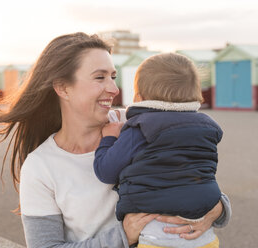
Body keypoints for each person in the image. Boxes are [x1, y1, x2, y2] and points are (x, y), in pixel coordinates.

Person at [0, 33, 231, 248]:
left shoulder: (138, 123)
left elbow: (196, 171)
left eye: (113, 76)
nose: (114, 89)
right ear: (63, 87)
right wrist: (122, 236)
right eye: (100, 77)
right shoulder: (41, 167)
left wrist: (218, 208)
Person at [94, 53, 226, 248]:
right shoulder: (207, 126)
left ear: (139, 97)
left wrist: (108, 139)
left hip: (156, 234)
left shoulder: (140, 127)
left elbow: (106, 171)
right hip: (204, 234)